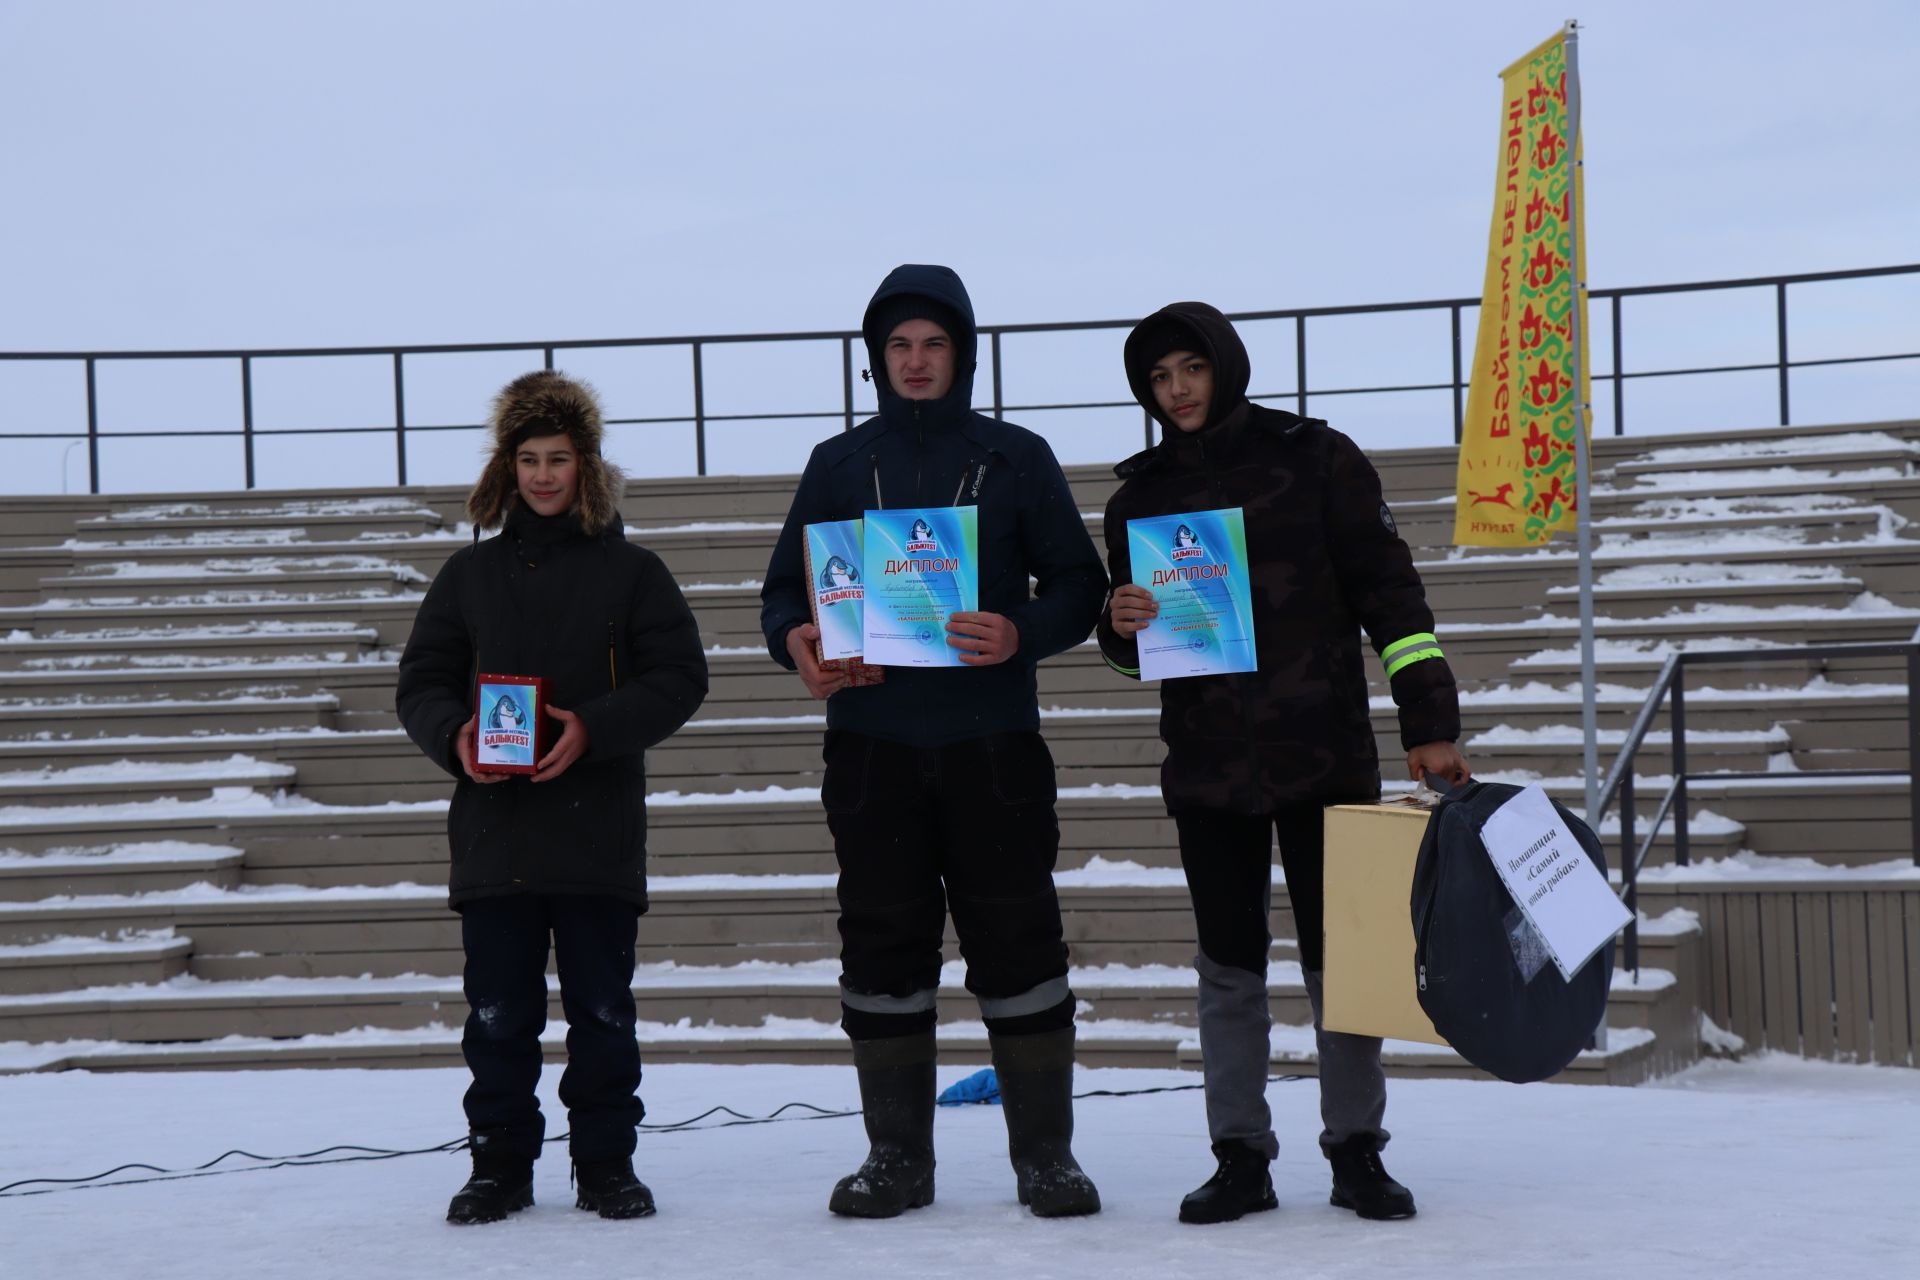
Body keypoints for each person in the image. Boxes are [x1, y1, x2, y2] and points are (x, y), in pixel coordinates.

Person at [1096, 303, 1470, 1225]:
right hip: (1209, 770)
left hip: (1325, 758)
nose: (1176, 390)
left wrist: (1429, 721)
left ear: (1225, 365)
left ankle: (1356, 1152)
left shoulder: (1317, 456)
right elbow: (1130, 650)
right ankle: (1239, 1158)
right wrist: (1119, 627)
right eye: (1159, 377)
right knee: (1228, 968)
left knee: (1342, 968)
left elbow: (1393, 595)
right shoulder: (1136, 497)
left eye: (1191, 368)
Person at [759, 264, 1110, 1218]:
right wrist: (795, 641)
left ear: (963, 355)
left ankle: (1046, 1154)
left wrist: (1021, 630)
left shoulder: (1016, 458)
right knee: (882, 947)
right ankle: (897, 1157)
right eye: (899, 345)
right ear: (877, 358)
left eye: (934, 344)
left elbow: (1079, 583)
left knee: (1018, 936)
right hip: (871, 745)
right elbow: (785, 594)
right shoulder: (837, 464)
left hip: (990, 743)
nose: (916, 361)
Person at [397, 371, 708, 1224]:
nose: (542, 475)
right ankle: (498, 1165)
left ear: (586, 466)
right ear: (507, 468)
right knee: (498, 1020)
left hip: (595, 834)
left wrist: (594, 729)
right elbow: (421, 681)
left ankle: (606, 1162)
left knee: (603, 1016)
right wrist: (455, 736)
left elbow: (682, 677)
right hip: (495, 834)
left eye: (558, 458)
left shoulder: (634, 573)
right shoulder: (465, 576)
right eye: (528, 458)